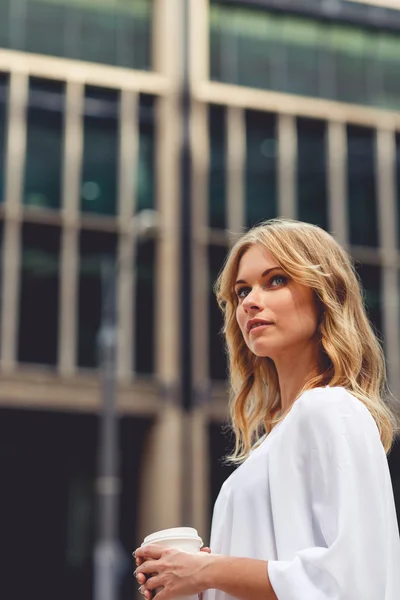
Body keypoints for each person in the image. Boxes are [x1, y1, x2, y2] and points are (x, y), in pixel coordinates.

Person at [134, 219, 400, 600]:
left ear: (324, 293)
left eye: (276, 280)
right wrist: (190, 580)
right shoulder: (276, 438)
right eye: (242, 291)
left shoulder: (330, 408)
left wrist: (208, 569)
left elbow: (349, 584)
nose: (250, 302)